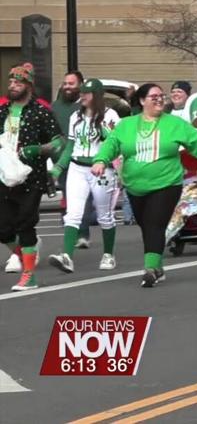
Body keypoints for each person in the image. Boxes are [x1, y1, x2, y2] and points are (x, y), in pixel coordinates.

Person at [92, 83, 197, 287]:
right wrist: (101, 160)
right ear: (142, 100)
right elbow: (111, 144)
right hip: (135, 186)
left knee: (155, 223)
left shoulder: (174, 124)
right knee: (146, 226)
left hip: (166, 183)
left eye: (161, 96)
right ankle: (157, 264)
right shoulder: (126, 125)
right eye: (153, 97)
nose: (159, 100)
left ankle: (150, 269)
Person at [46, 78, 120, 274]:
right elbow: (71, 145)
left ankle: (108, 254)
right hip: (77, 168)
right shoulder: (75, 116)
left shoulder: (110, 115)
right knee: (73, 213)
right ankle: (67, 256)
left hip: (102, 170)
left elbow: (115, 143)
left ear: (96, 95)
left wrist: (104, 132)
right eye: (82, 92)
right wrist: (58, 168)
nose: (82, 96)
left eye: (87, 93)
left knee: (105, 215)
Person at [2, 63, 64, 290]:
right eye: (10, 82)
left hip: (32, 178)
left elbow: (59, 142)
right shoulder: (3, 111)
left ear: (28, 85)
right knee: (3, 229)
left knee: (25, 223)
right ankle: (26, 254)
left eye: (17, 82)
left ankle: (29, 275)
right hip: (4, 177)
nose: (12, 85)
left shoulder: (40, 111)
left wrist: (38, 149)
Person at [52, 71, 93, 249]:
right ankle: (76, 233)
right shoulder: (55, 107)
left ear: (81, 85)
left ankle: (83, 233)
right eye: (65, 83)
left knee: (85, 199)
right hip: (61, 160)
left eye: (71, 83)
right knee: (71, 199)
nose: (67, 86)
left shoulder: (86, 107)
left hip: (85, 160)